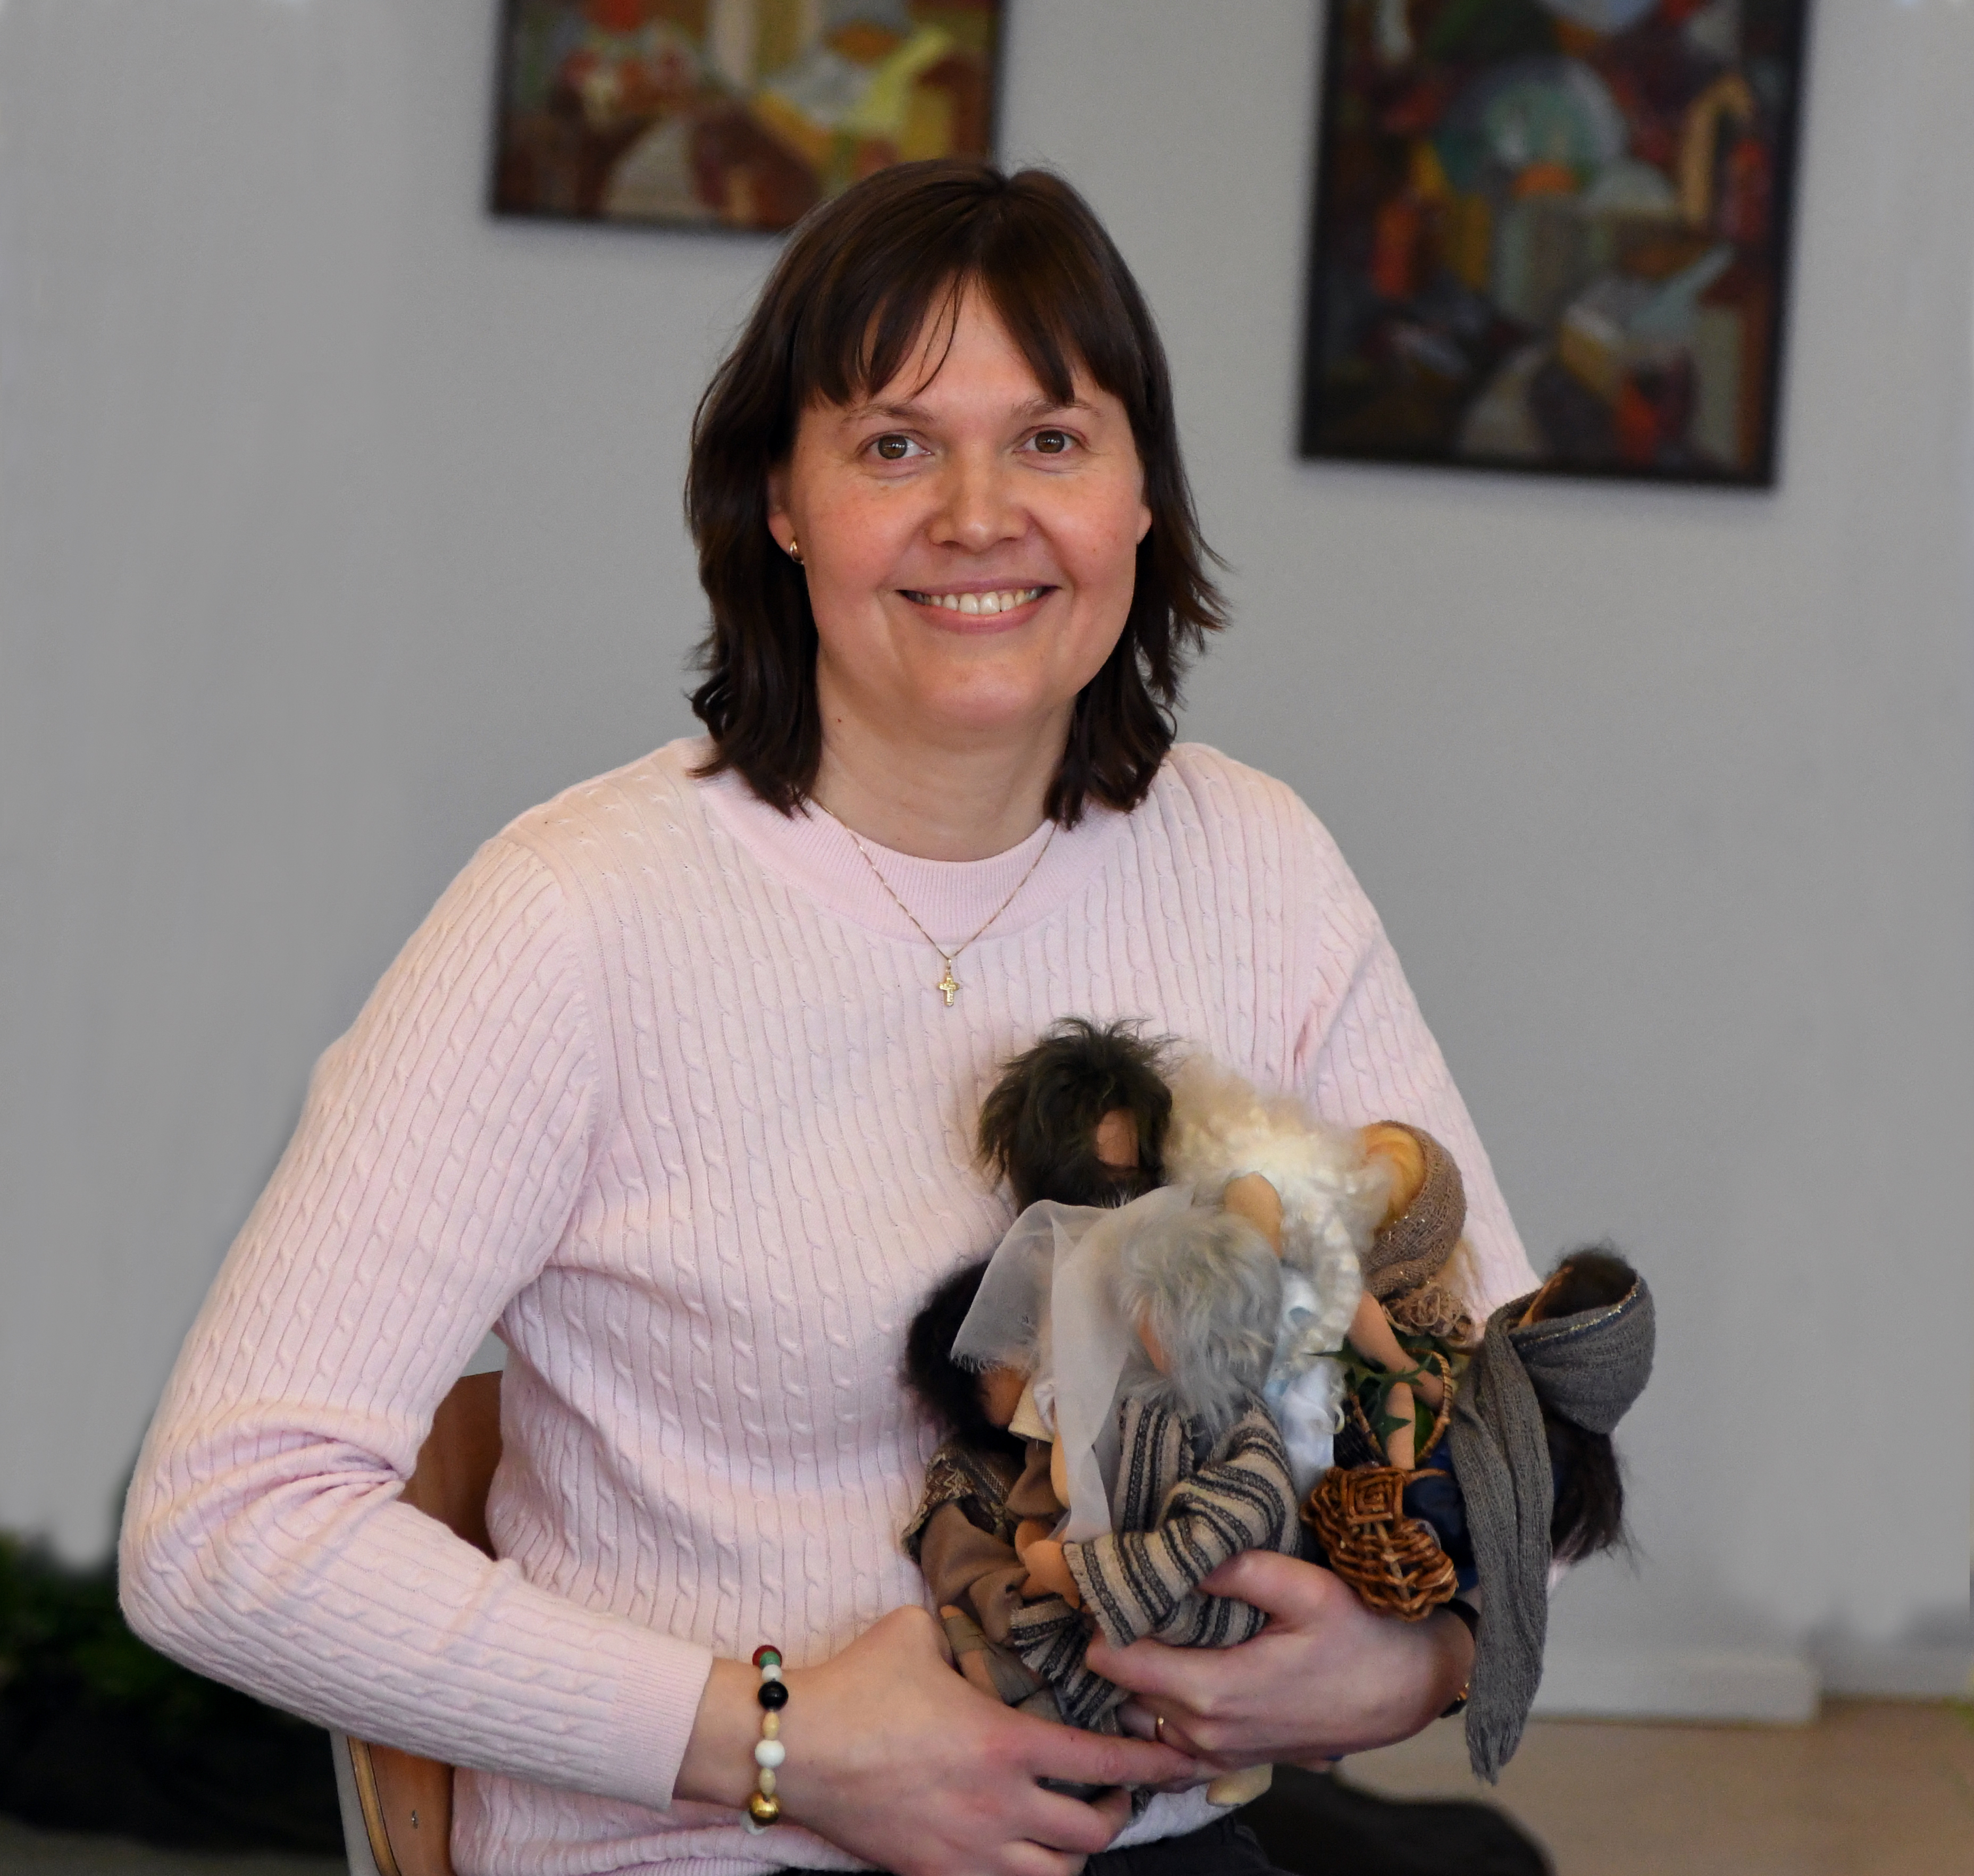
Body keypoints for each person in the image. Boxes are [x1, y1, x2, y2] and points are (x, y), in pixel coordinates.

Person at [119, 161, 1537, 1876]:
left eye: (1052, 439)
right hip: (703, 1850)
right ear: (780, 502)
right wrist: (780, 1740)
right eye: (894, 445)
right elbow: (222, 1528)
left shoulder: (1258, 861)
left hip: (1148, 1843)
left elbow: (1513, 1389)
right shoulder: (572, 916)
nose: (979, 514)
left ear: (1139, 500)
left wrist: (1415, 1660)